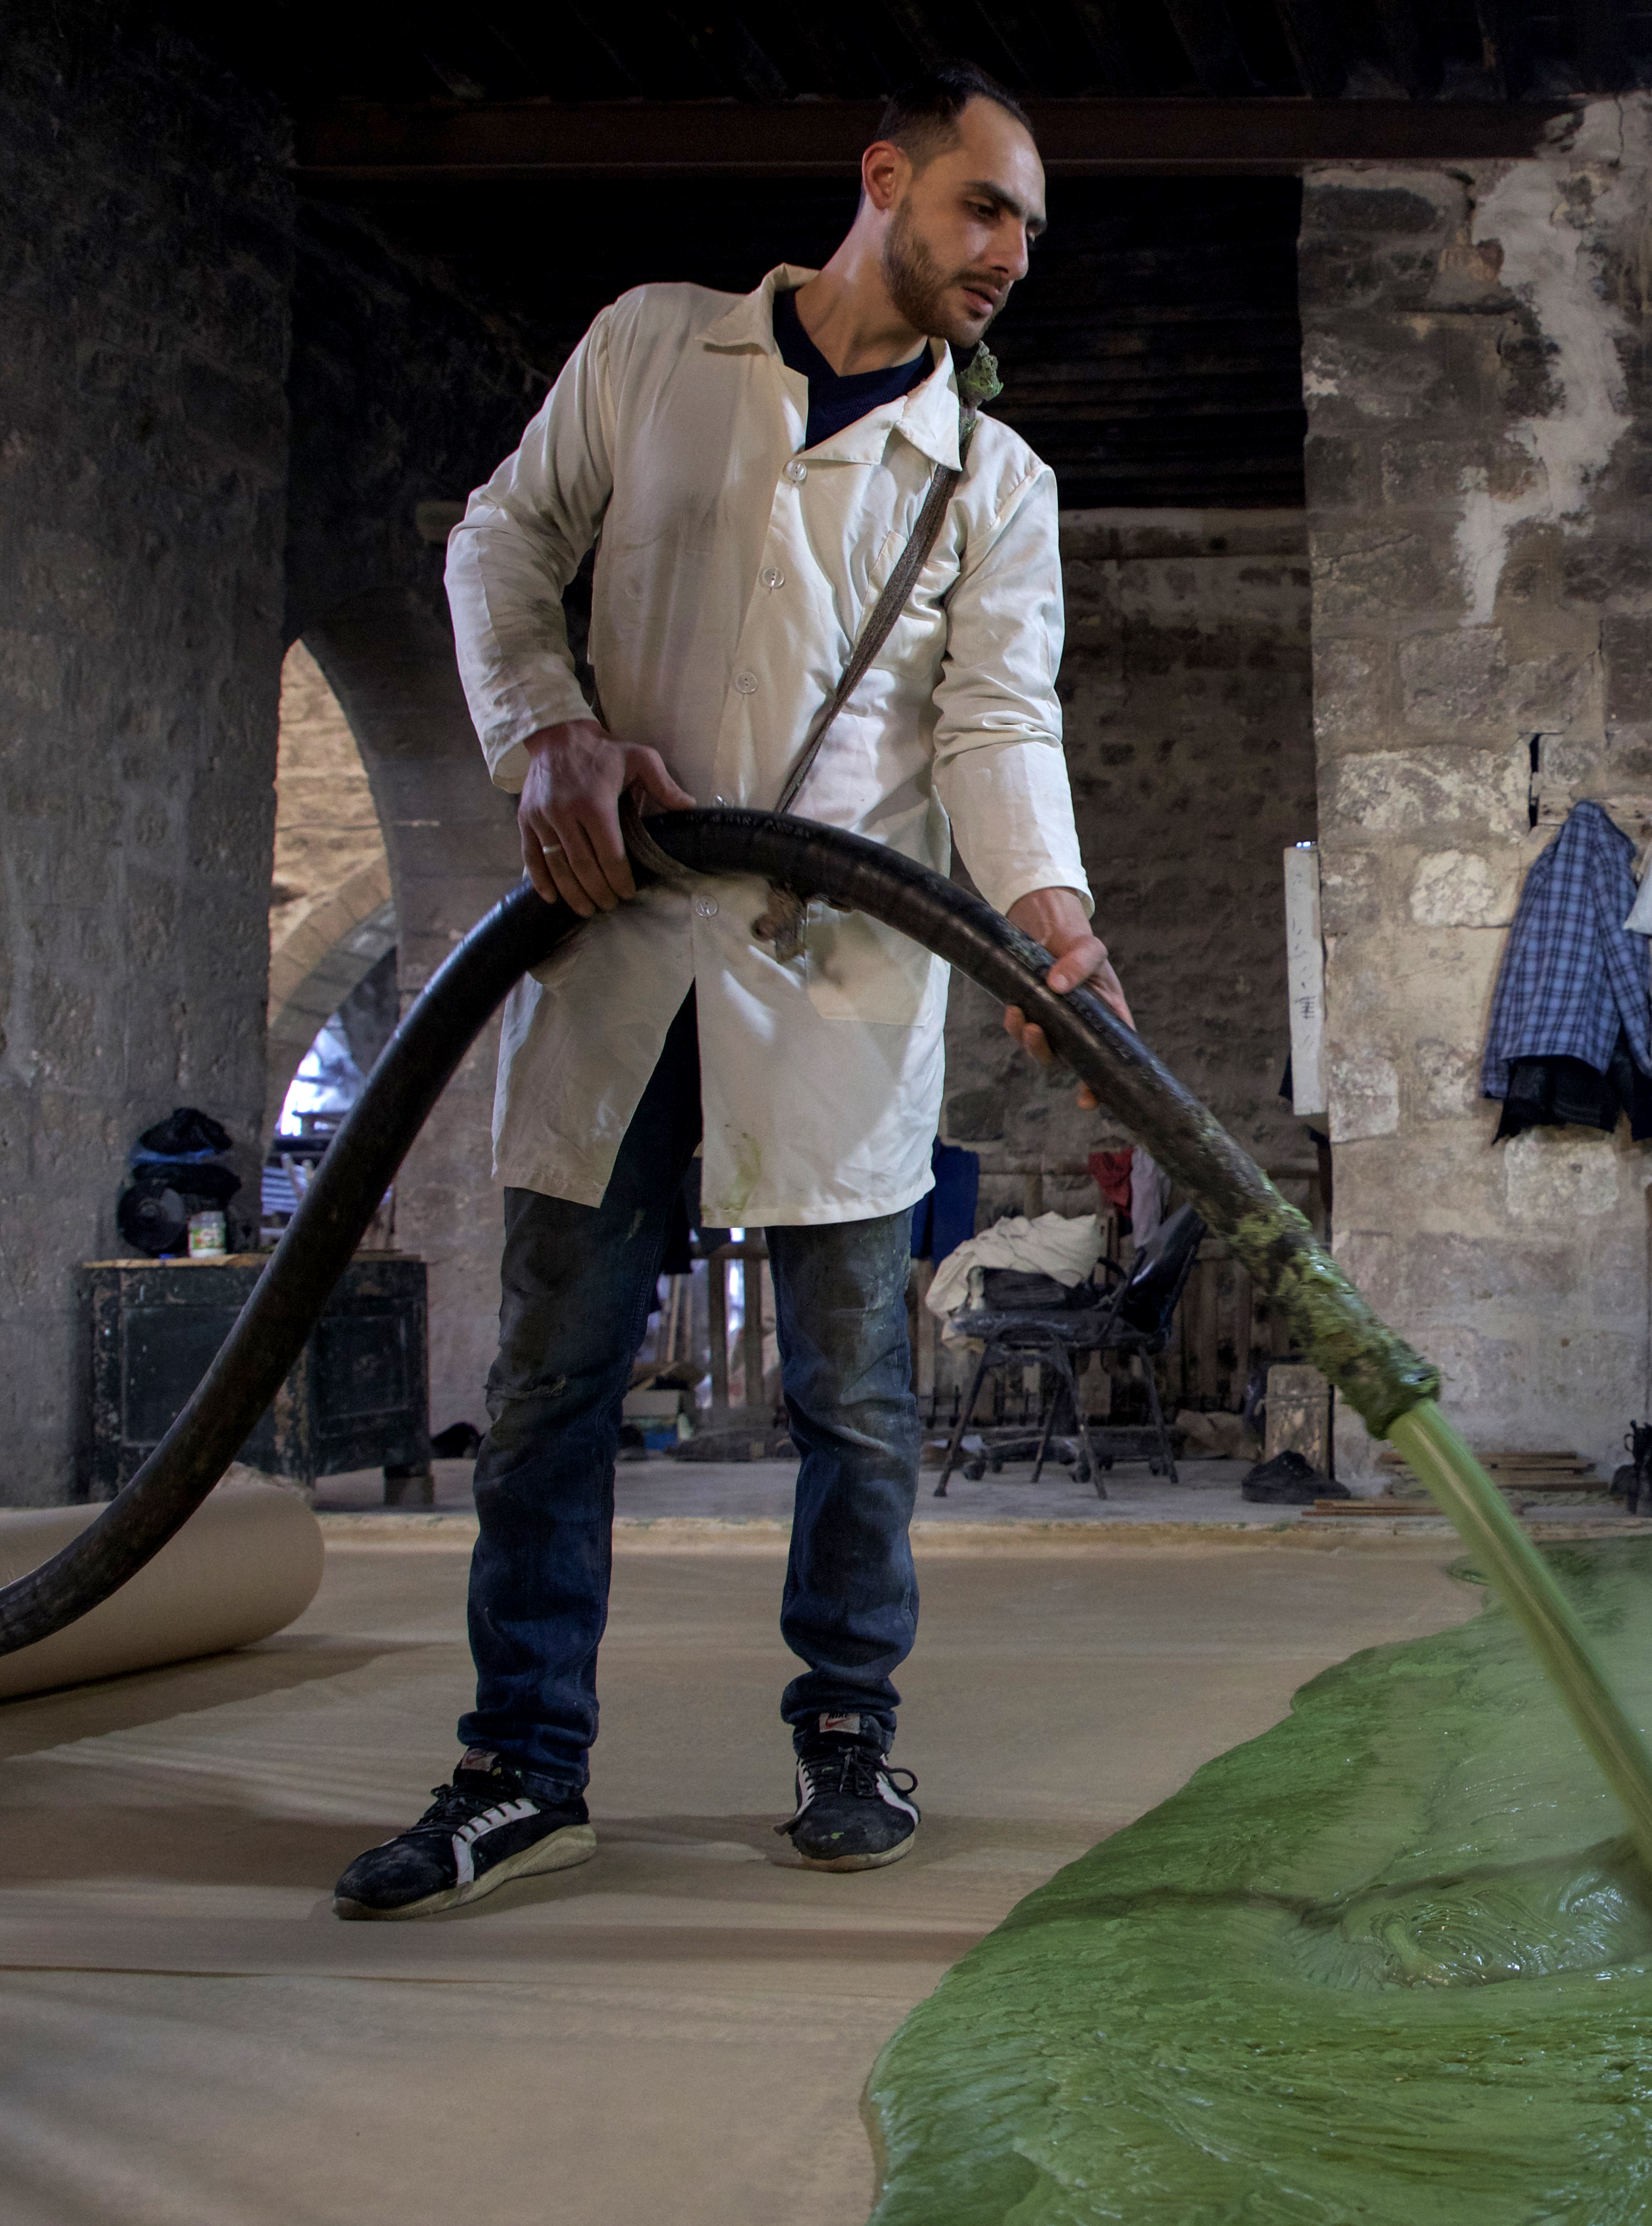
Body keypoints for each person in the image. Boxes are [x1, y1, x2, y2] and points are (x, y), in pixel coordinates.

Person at [333, 66, 1126, 1920]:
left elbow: (1002, 718)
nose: (1009, 252)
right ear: (884, 181)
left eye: (1028, 229)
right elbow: (501, 546)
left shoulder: (996, 480)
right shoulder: (652, 353)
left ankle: (850, 1728)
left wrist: (1050, 913)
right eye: (982, 208)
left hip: (836, 973)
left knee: (857, 1395)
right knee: (550, 1386)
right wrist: (544, 736)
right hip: (615, 938)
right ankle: (521, 1765)